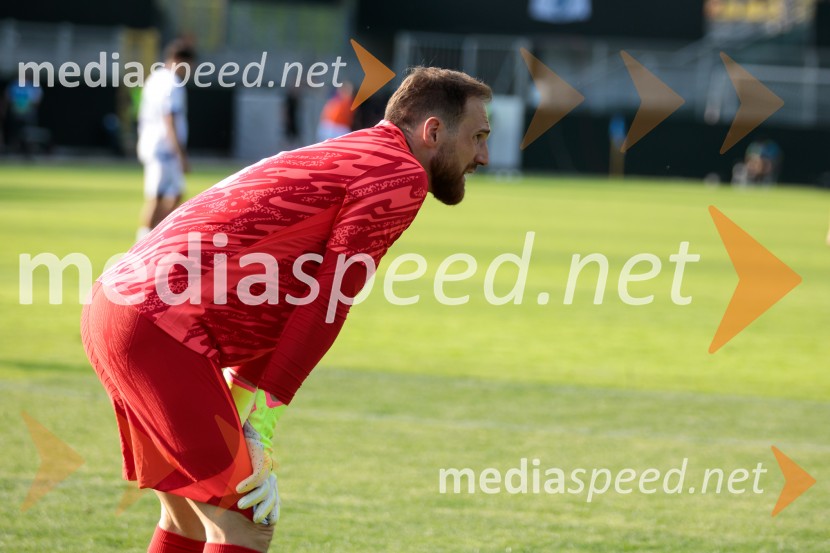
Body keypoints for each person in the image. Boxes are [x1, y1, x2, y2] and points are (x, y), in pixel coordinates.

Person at [81, 67, 491, 553]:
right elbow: (328, 299)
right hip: (158, 329)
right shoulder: (400, 174)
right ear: (434, 131)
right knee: (246, 524)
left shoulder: (361, 153)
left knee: (188, 517)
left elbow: (292, 294)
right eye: (478, 137)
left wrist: (247, 398)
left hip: (118, 307)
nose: (483, 156)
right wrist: (265, 421)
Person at [136, 40, 195, 241]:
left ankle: (155, 238)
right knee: (157, 196)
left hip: (152, 142)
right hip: (164, 147)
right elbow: (169, 118)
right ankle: (143, 242)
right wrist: (181, 154)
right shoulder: (173, 83)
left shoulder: (155, 78)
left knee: (175, 194)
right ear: (180, 60)